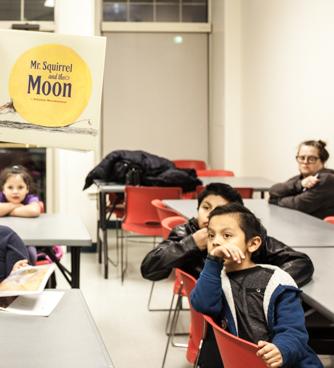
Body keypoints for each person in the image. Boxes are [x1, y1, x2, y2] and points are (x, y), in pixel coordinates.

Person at [140, 183, 314, 368]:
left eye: (226, 234)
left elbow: (299, 264)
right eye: (206, 208)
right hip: (225, 339)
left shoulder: (249, 238)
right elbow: (151, 269)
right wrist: (191, 244)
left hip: (269, 344)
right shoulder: (189, 235)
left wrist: (262, 285)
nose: (216, 241)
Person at [190, 204, 323, 368]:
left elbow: (293, 330)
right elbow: (203, 305)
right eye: (211, 235)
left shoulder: (276, 280)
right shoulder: (214, 279)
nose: (216, 242)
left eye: (226, 235)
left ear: (252, 244)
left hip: (288, 362)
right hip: (248, 361)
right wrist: (212, 263)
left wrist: (281, 350)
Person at [268, 140, 334, 219]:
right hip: (302, 225)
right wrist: (300, 184)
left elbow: (298, 205)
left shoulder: (327, 179)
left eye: (311, 158)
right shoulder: (301, 178)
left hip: (322, 230)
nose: (305, 162)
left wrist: (273, 200)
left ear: (322, 161)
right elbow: (273, 190)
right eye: (302, 158)